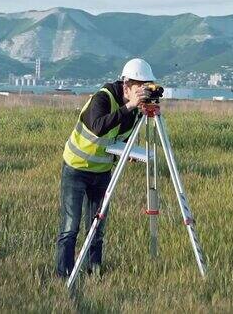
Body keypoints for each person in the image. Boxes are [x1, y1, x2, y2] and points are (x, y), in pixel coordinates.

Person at [56, 58, 157, 278]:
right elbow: (99, 127)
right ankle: (64, 275)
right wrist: (129, 106)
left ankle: (94, 272)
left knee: (97, 226)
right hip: (77, 168)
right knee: (70, 228)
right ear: (126, 85)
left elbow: (118, 137)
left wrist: (127, 151)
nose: (143, 92)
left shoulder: (137, 110)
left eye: (147, 86)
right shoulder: (103, 98)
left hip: (102, 172)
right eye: (140, 87)